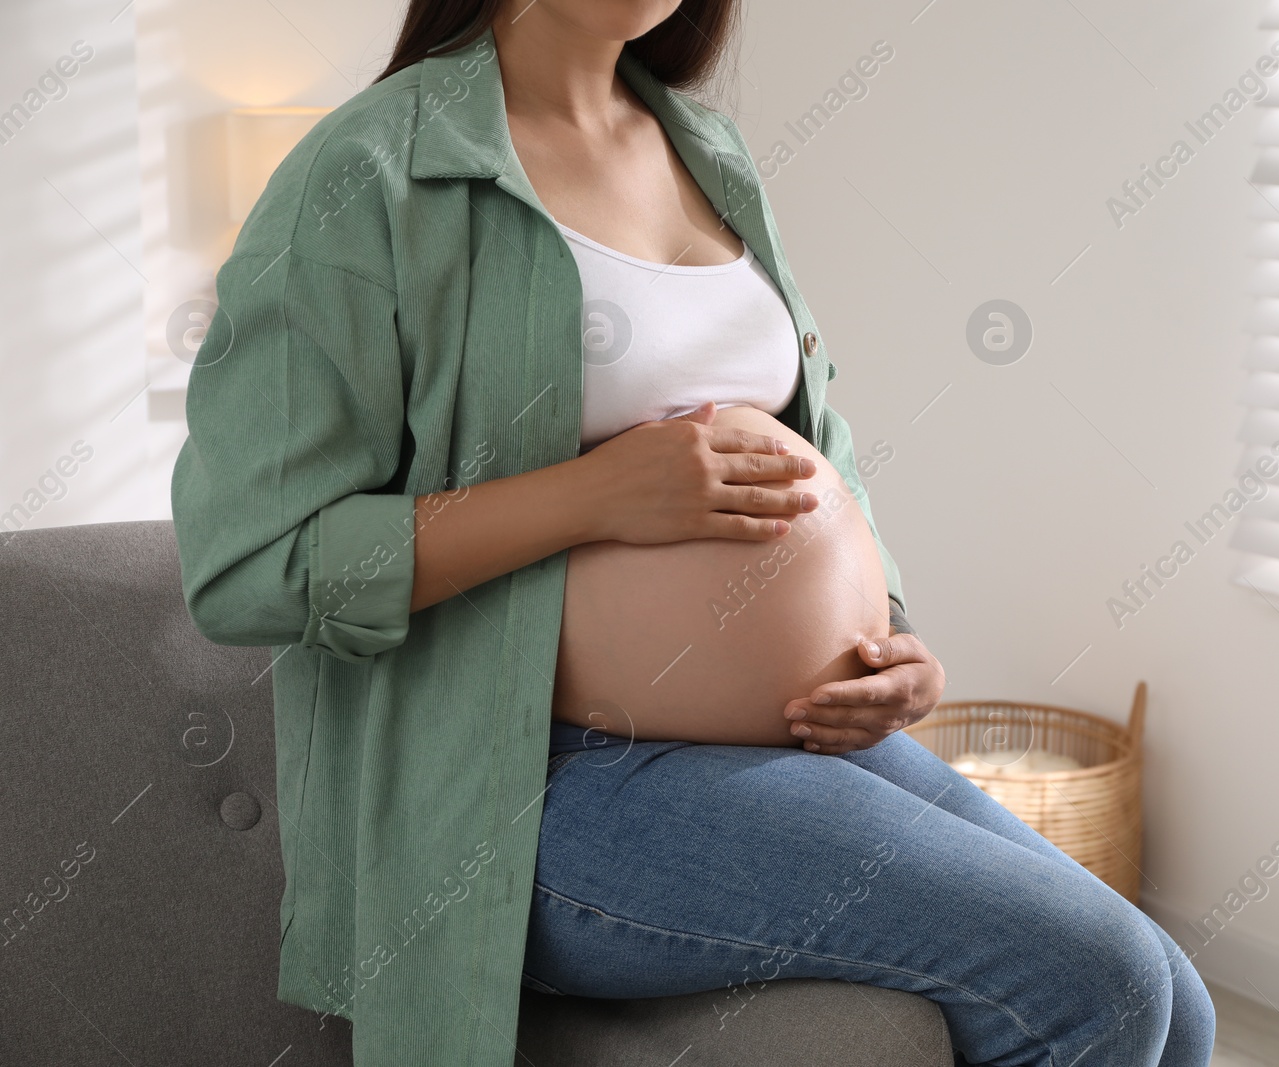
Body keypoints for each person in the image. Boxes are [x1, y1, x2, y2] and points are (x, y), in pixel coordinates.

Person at [171, 1, 1215, 1064]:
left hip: (794, 739)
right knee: (1102, 982)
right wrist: (593, 494)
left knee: (1179, 999)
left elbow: (819, 437)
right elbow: (256, 562)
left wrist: (886, 631)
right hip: (534, 780)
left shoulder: (701, 147)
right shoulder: (367, 174)